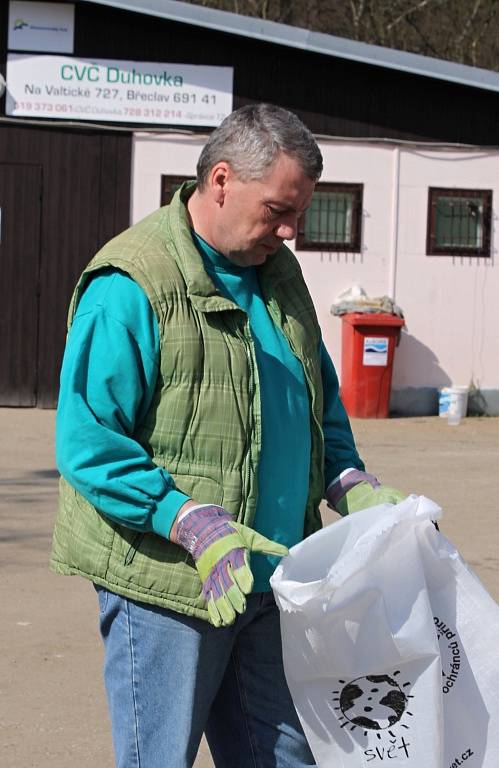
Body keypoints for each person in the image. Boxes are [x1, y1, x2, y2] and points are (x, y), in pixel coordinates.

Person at [51, 103, 405, 768]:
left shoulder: (277, 274)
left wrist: (347, 479)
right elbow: (87, 441)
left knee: (284, 759)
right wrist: (183, 517)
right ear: (221, 180)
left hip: (269, 580)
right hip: (169, 590)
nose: (291, 230)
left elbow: (313, 395)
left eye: (298, 212)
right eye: (277, 209)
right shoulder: (132, 284)